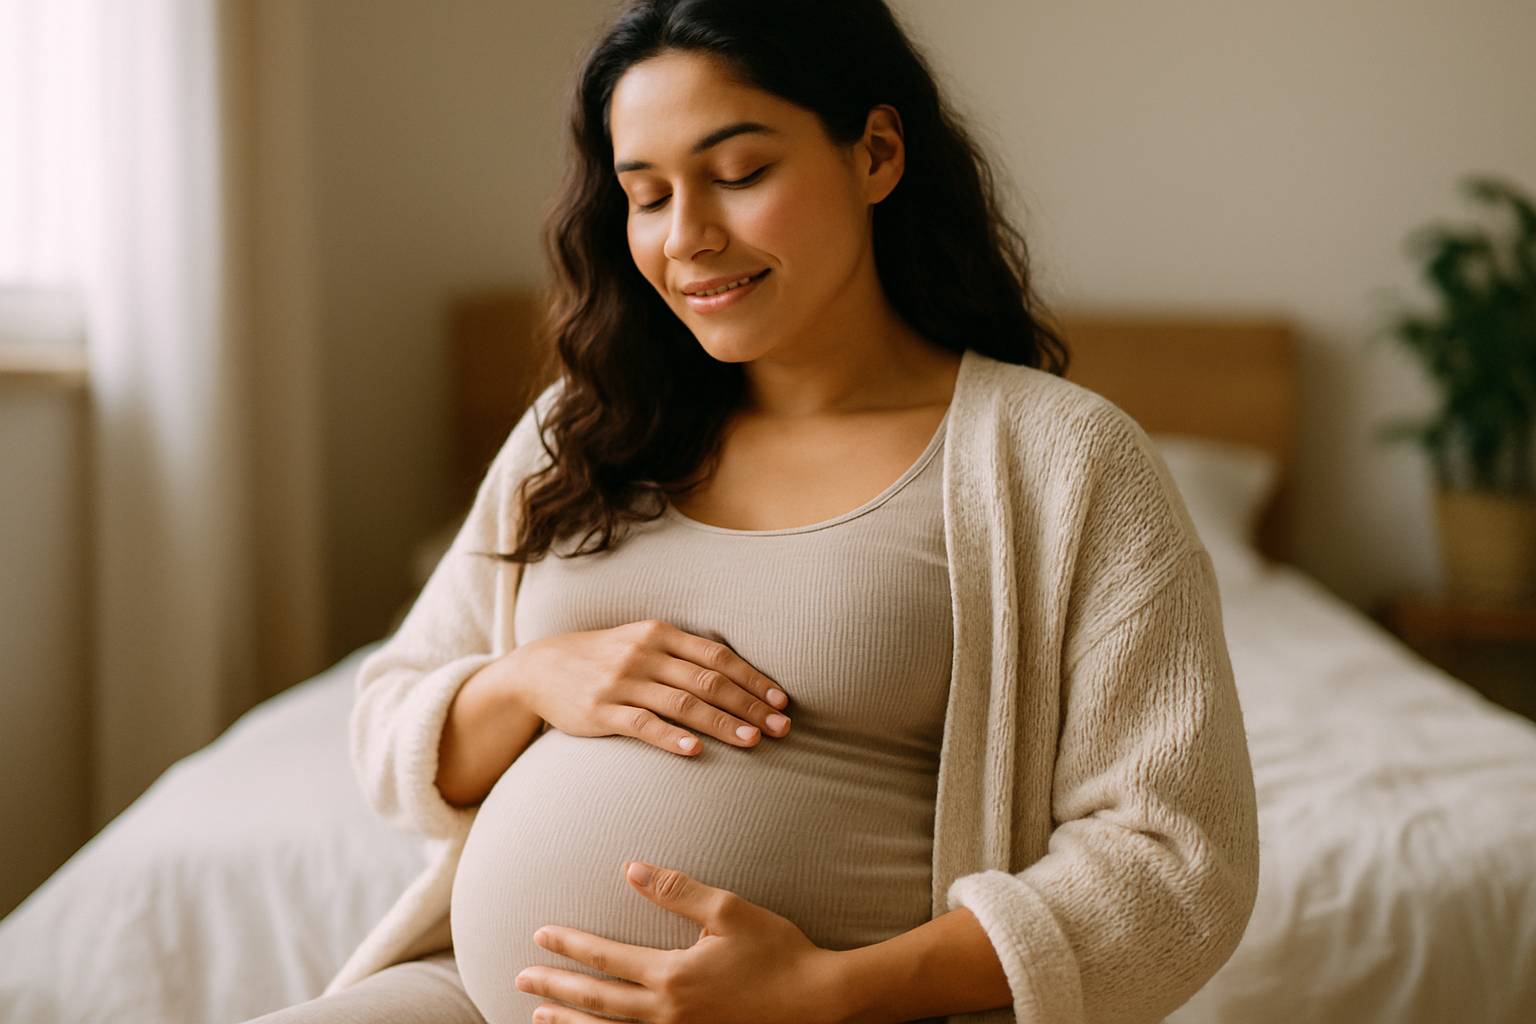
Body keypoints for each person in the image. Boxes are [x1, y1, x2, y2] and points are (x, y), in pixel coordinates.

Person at [242, 1, 1259, 1021]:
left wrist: (825, 990)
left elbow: (1174, 861)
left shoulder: (1060, 459)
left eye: (738, 176)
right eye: (645, 196)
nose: (688, 238)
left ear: (876, 154)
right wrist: (526, 680)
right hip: (475, 998)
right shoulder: (586, 427)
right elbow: (388, 718)